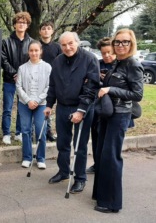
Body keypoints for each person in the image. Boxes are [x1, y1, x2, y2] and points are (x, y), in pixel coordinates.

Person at [92, 29, 143, 213]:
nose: (121, 45)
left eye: (125, 42)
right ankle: (101, 195)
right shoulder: (117, 63)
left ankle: (112, 203)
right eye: (118, 42)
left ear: (132, 44)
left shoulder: (133, 64)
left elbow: (137, 94)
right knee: (101, 155)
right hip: (107, 113)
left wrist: (110, 89)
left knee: (111, 157)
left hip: (120, 115)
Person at [44, 31, 99, 194]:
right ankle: (63, 171)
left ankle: (80, 178)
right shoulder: (57, 61)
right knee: (62, 142)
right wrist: (49, 104)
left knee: (79, 145)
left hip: (82, 107)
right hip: (62, 107)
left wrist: (81, 110)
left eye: (70, 43)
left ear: (78, 42)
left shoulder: (90, 59)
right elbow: (52, 85)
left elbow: (92, 88)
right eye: (64, 45)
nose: (67, 47)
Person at [16, 41, 51, 169]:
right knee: (25, 130)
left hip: (41, 104)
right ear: (28, 52)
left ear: (40, 51)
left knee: (40, 130)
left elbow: (49, 86)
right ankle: (27, 157)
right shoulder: (22, 68)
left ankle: (41, 158)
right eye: (31, 50)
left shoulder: (47, 67)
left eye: (36, 50)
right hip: (24, 103)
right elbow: (18, 86)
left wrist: (37, 100)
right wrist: (28, 100)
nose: (34, 53)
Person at [1, 12, 33, 144]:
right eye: (19, 22)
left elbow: (33, 60)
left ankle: (19, 132)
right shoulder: (6, 42)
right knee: (7, 108)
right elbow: (3, 60)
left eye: (24, 22)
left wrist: (22, 76)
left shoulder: (32, 42)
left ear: (27, 25)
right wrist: (15, 74)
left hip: (25, 82)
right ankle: (6, 133)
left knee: (22, 108)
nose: (21, 24)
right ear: (14, 25)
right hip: (10, 80)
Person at [86, 37, 116, 174]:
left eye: (109, 52)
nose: (107, 56)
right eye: (103, 53)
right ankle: (97, 164)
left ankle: (108, 165)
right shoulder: (97, 64)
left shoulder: (120, 65)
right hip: (97, 106)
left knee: (110, 140)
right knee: (96, 136)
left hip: (114, 108)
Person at [39, 21, 62, 142]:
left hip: (54, 81)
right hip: (39, 81)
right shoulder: (37, 46)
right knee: (42, 106)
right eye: (43, 28)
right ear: (40, 31)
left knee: (50, 107)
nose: (46, 30)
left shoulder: (57, 47)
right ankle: (42, 130)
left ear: (52, 31)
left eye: (48, 28)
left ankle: (49, 131)